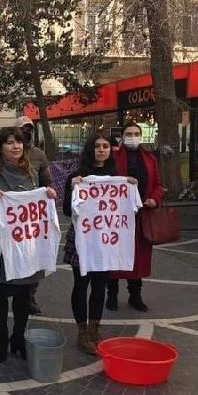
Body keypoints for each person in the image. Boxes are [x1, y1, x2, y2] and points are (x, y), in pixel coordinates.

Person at [0, 127, 57, 363]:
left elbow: (41, 196)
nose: (16, 147)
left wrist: (48, 195)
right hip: (1, 244)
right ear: (0, 146)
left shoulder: (31, 170)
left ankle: (18, 336)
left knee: (24, 293)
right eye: (10, 143)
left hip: (26, 243)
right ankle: (2, 338)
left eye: (19, 143)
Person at [63, 132, 136, 354]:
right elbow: (67, 209)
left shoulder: (117, 177)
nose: (101, 150)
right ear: (89, 150)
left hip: (106, 240)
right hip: (83, 238)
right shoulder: (77, 176)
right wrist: (73, 188)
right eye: (97, 146)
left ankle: (94, 328)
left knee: (99, 286)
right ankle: (82, 331)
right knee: (81, 284)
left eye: (105, 146)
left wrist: (130, 186)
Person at [106, 121, 163, 312]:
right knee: (114, 256)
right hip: (117, 216)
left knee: (137, 258)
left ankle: (135, 295)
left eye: (136, 133)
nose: (132, 137)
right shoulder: (113, 156)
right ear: (122, 136)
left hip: (141, 216)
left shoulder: (150, 158)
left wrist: (154, 199)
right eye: (128, 133)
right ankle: (111, 295)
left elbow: (157, 185)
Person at [11, 116, 52, 316]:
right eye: (22, 129)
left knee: (35, 258)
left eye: (29, 129)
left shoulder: (38, 154)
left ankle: (30, 295)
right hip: (11, 216)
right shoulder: (5, 151)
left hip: (33, 216)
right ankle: (13, 289)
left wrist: (49, 193)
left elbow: (47, 181)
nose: (26, 132)